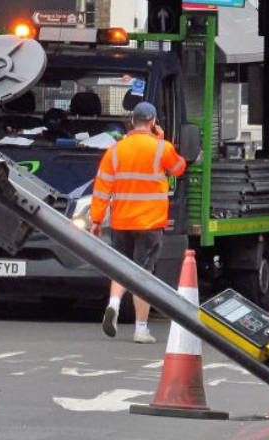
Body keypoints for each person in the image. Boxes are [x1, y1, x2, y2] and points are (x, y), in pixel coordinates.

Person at [89, 102, 187, 343]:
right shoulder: (160, 148)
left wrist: (97, 220)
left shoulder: (115, 150)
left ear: (132, 122)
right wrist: (163, 140)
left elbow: (102, 188)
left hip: (122, 220)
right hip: (149, 222)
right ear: (152, 122)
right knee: (143, 274)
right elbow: (179, 168)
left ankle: (113, 304)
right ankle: (141, 329)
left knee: (121, 268)